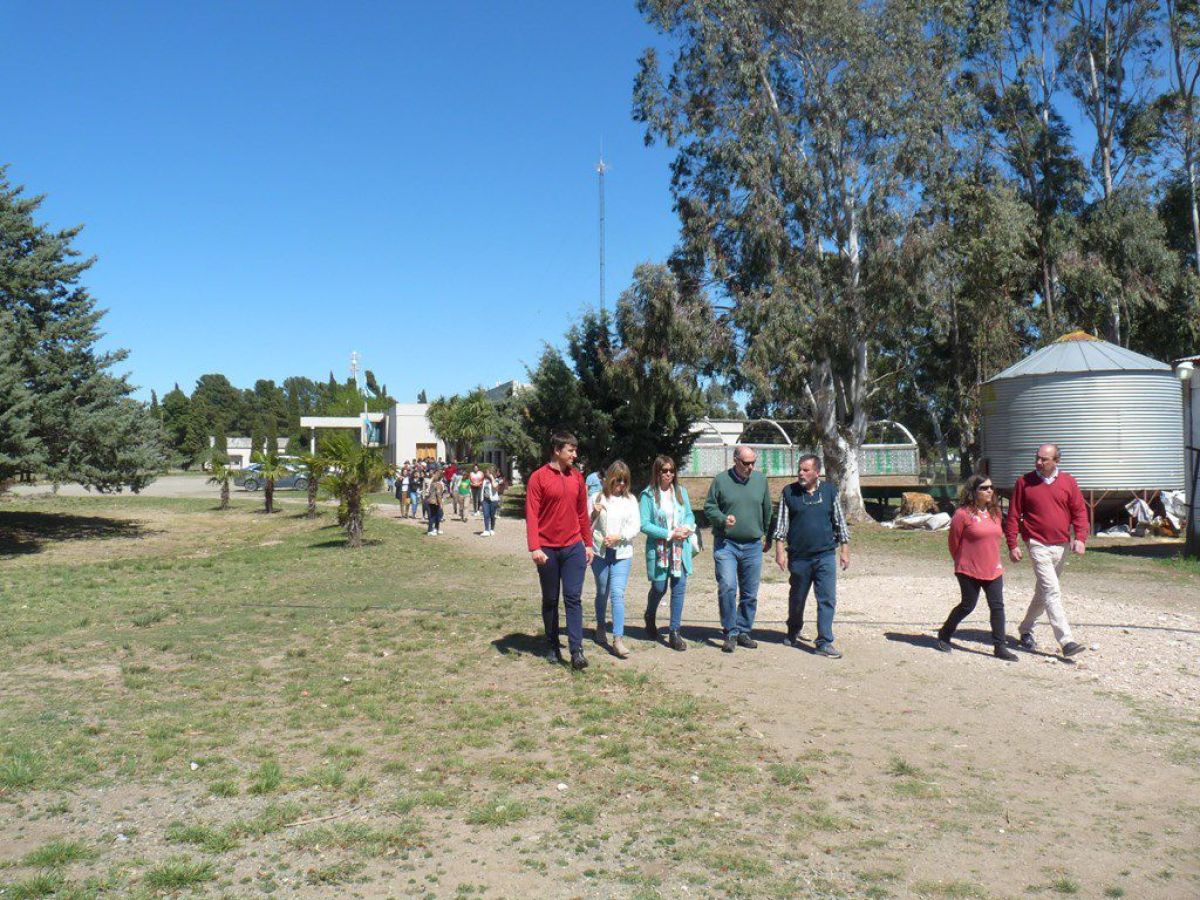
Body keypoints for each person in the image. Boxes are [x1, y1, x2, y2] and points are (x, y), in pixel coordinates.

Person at [1004, 443, 1089, 657]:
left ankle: (1025, 629)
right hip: (1037, 543)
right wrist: (1012, 544)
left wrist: (1080, 538)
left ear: (1056, 461)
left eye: (1044, 459)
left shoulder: (1068, 482)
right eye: (1037, 458)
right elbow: (1013, 515)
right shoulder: (1024, 483)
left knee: (1043, 591)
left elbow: (1079, 512)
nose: (1039, 462)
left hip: (1061, 545)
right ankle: (1066, 641)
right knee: (1052, 590)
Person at [526, 432, 594, 670]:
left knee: (573, 597)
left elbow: (582, 513)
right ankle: (552, 644)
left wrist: (587, 543)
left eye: (575, 450)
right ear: (557, 450)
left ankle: (576, 651)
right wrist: (535, 547)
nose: (575, 454)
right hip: (547, 549)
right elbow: (532, 514)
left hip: (573, 546)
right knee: (551, 599)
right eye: (570, 450)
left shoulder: (577, 477)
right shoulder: (538, 478)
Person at [772, 454, 851, 658]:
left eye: (806, 470)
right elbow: (781, 524)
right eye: (800, 469)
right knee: (797, 598)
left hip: (825, 555)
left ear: (817, 473)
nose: (801, 473)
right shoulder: (789, 492)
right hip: (799, 557)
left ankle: (824, 642)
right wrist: (779, 550)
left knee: (827, 599)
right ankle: (793, 629)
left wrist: (844, 549)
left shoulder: (830, 491)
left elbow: (839, 521)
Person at [937, 475, 1019, 661]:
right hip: (969, 569)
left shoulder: (995, 513)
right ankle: (945, 633)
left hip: (993, 568)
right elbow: (954, 543)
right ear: (973, 491)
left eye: (991, 487)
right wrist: (962, 562)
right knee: (968, 605)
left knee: (997, 606)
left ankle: (1000, 646)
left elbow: (998, 538)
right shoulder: (962, 514)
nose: (989, 491)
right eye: (983, 488)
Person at [704, 445, 773, 653]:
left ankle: (743, 630)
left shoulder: (760, 480)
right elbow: (709, 507)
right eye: (746, 463)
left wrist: (767, 536)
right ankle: (730, 631)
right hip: (727, 544)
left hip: (752, 544)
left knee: (750, 592)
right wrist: (722, 519)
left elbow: (767, 509)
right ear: (735, 460)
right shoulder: (721, 480)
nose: (750, 467)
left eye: (753, 463)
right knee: (727, 586)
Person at [640, 455, 697, 651]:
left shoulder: (680, 492)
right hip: (660, 549)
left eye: (672, 471)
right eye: (664, 470)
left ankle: (674, 632)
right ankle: (650, 615)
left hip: (680, 548)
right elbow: (644, 524)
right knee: (659, 588)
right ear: (657, 472)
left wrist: (686, 527)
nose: (669, 474)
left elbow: (689, 514)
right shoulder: (648, 495)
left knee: (679, 588)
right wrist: (669, 533)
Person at [587, 461, 641, 658]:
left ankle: (618, 639)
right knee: (602, 592)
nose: (621, 484)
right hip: (600, 553)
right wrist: (594, 512)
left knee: (617, 593)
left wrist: (620, 537)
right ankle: (600, 625)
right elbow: (585, 525)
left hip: (622, 554)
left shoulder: (631, 500)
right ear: (609, 479)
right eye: (618, 480)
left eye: (625, 481)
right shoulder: (596, 497)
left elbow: (635, 526)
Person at [480, 470, 501, 536]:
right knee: (486, 514)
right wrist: (481, 499)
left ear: (492, 473)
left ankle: (492, 529)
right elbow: (482, 490)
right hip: (485, 500)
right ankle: (486, 530)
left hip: (493, 500)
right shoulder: (484, 481)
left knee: (492, 515)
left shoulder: (497, 480)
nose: (487, 474)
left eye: (488, 473)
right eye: (486, 473)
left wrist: (492, 478)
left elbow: (495, 486)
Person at [425, 468, 445, 535]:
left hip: (430, 501)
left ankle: (436, 529)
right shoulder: (438, 484)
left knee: (436, 516)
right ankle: (430, 530)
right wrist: (440, 504)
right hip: (434, 502)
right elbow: (438, 495)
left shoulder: (433, 483)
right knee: (434, 516)